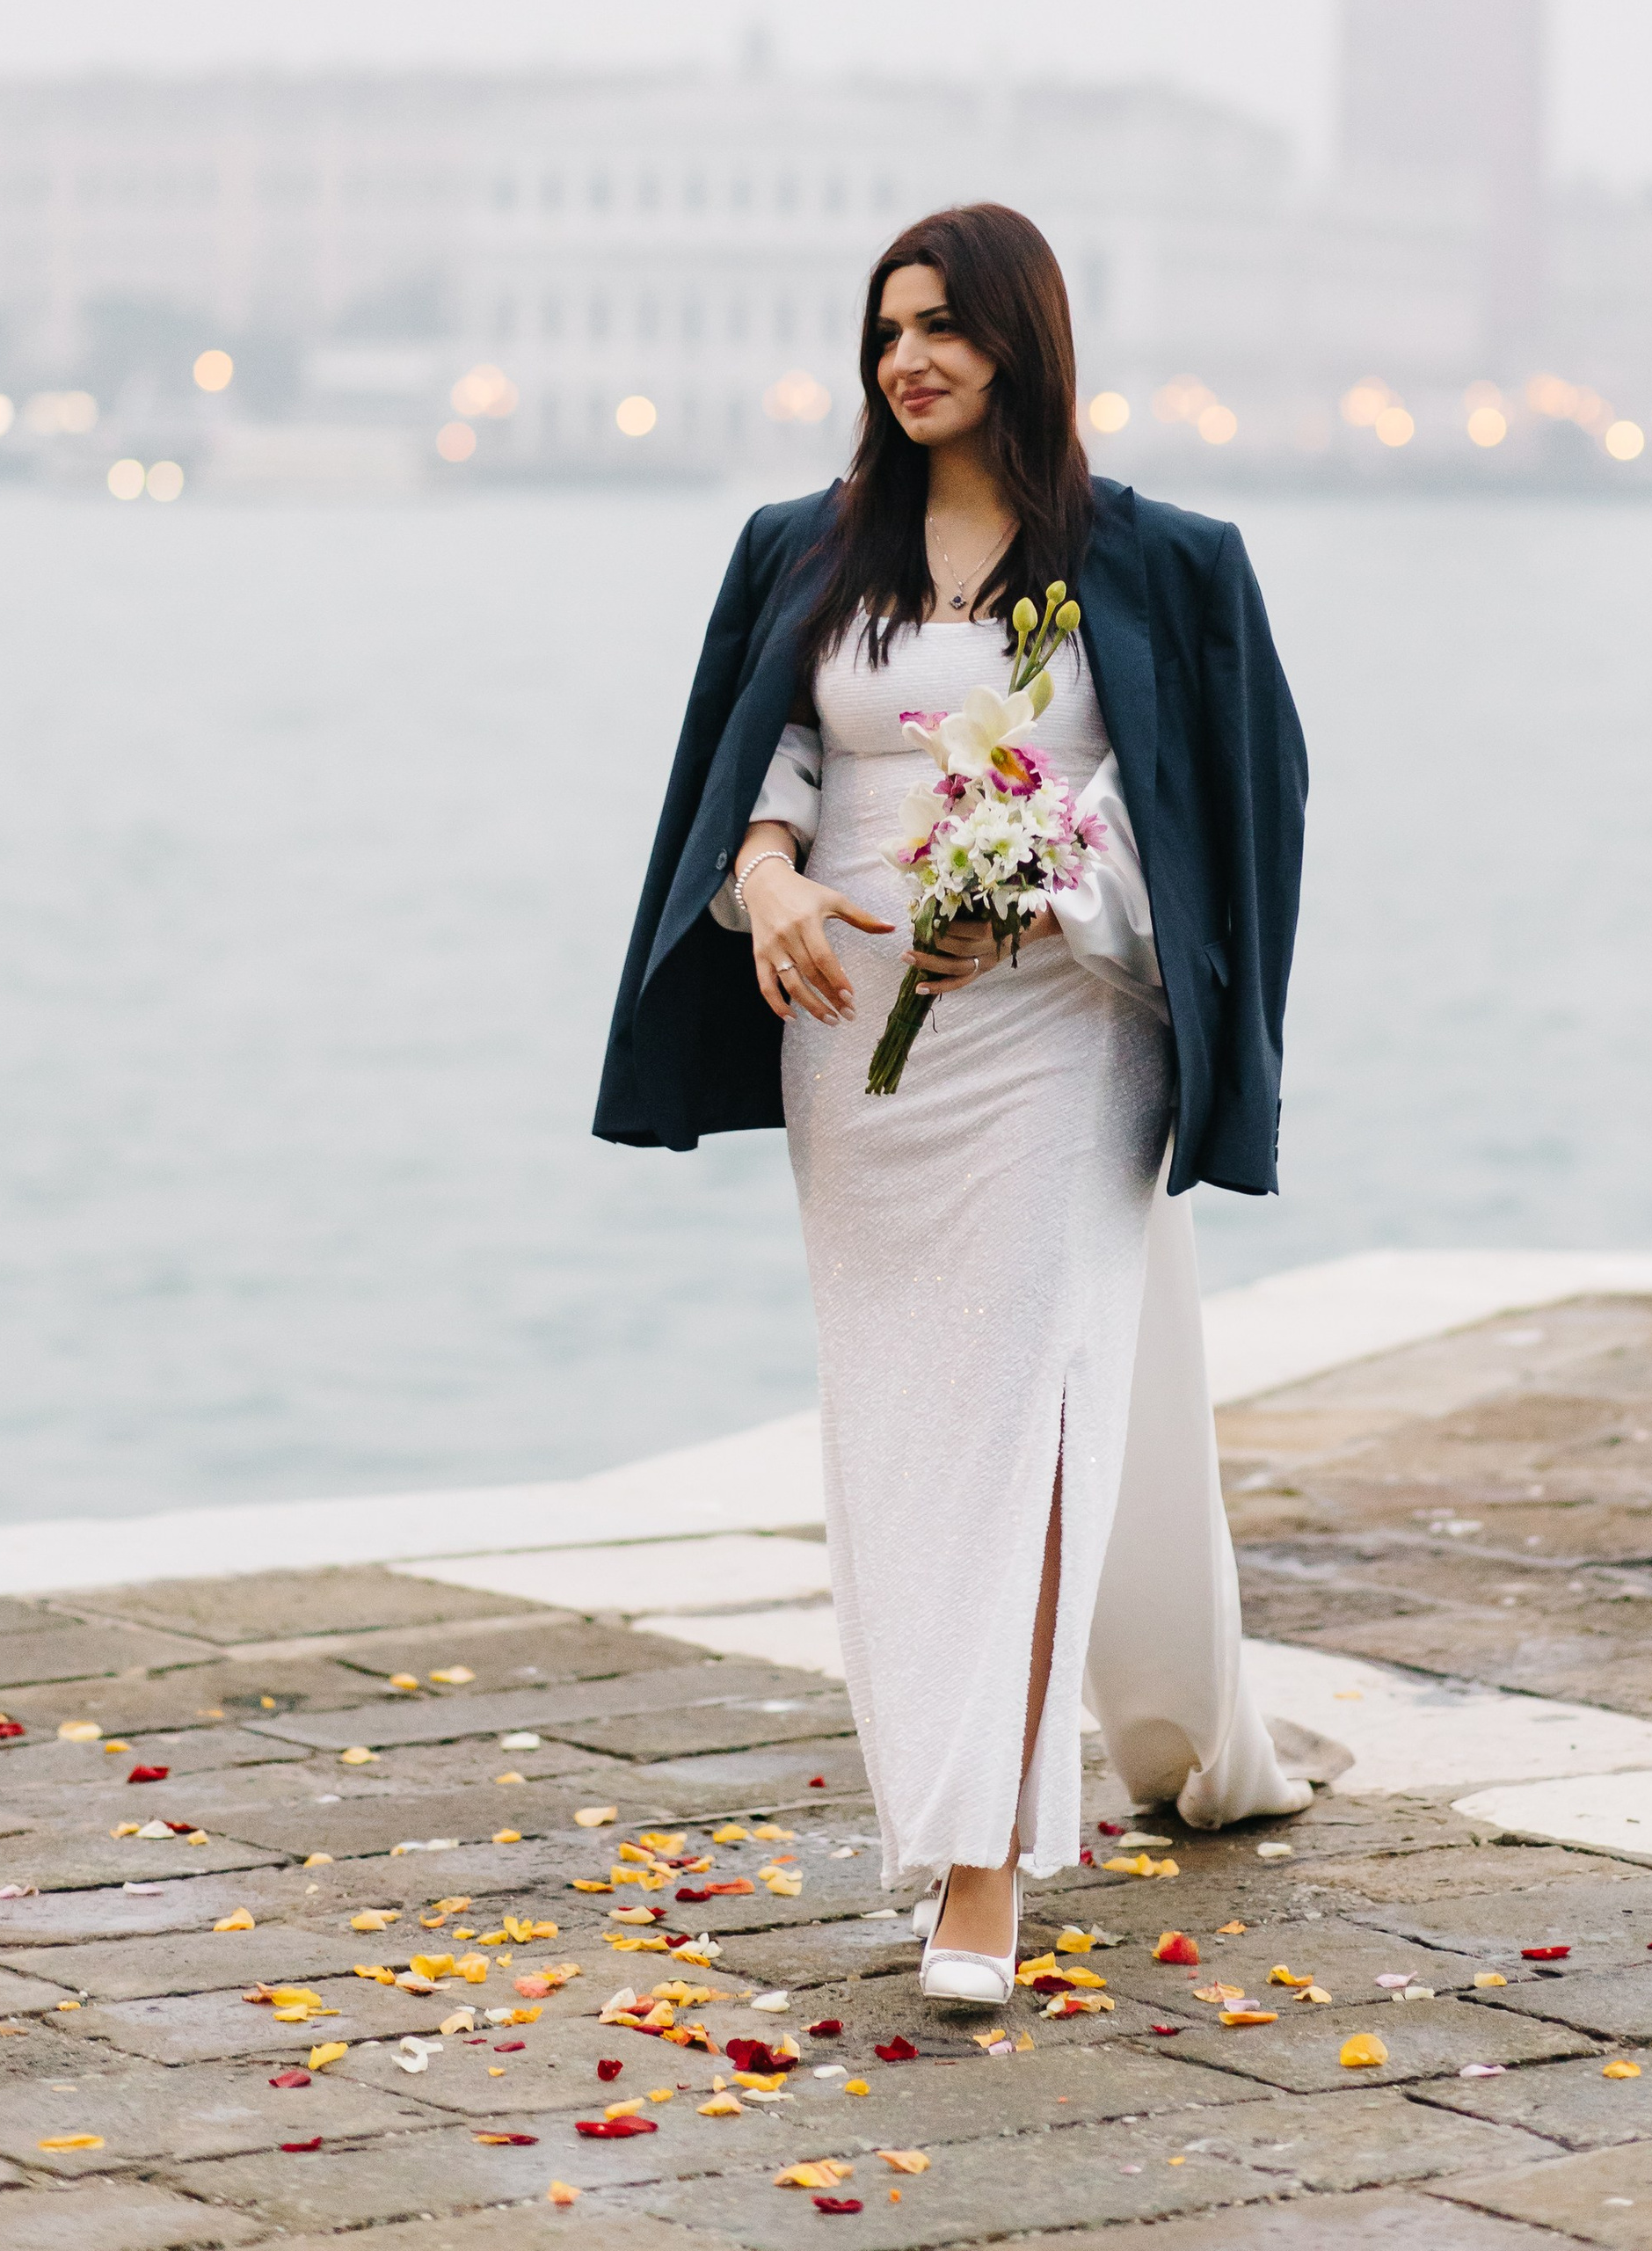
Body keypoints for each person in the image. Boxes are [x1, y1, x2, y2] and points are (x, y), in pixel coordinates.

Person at [594, 201, 1310, 2003]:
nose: (907, 357)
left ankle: (984, 1863)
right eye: (884, 330)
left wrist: (1055, 883)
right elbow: (765, 756)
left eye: (942, 325)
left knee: (1030, 1419)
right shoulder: (806, 549)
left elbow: (1239, 804)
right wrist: (761, 880)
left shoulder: (1157, 562)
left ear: (1021, 336)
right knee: (902, 1438)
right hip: (852, 1049)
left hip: (1063, 1044)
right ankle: (942, 1798)